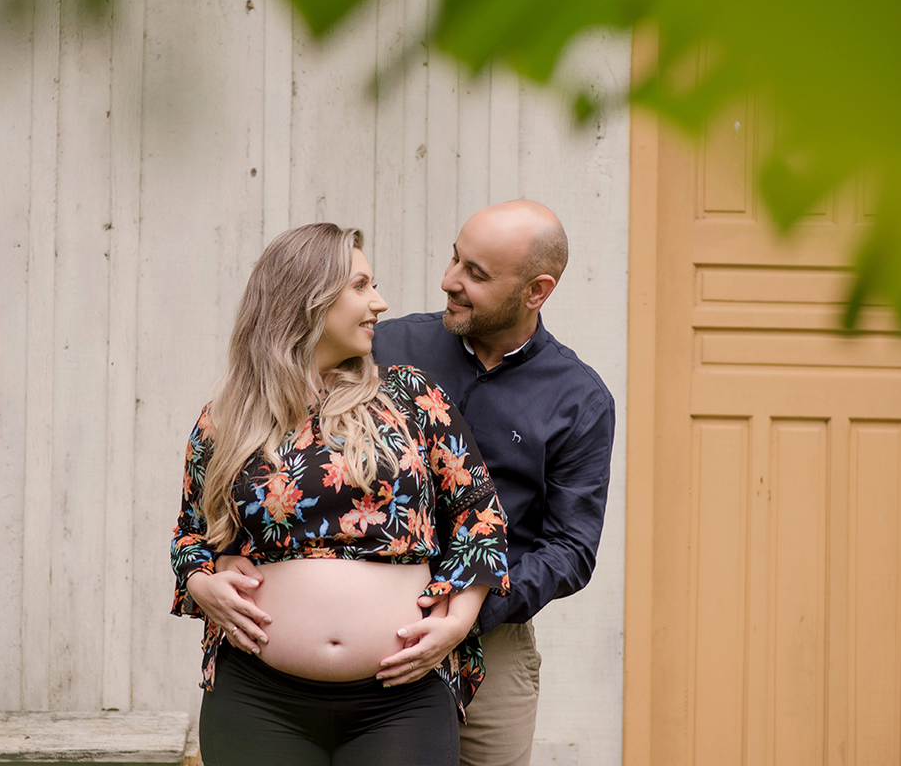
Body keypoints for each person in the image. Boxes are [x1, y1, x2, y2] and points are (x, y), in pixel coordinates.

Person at [170, 223, 511, 766]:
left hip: (401, 698)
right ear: (308, 297)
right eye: (360, 285)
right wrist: (201, 582)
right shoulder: (228, 416)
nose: (378, 302)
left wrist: (458, 620)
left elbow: (479, 517)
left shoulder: (411, 397)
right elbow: (191, 534)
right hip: (259, 695)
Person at [372, 200, 615, 766]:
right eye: (456, 259)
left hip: (494, 639)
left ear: (536, 291)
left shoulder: (580, 398)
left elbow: (571, 549)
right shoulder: (382, 349)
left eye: (476, 274)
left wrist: (467, 610)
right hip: (370, 624)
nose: (449, 281)